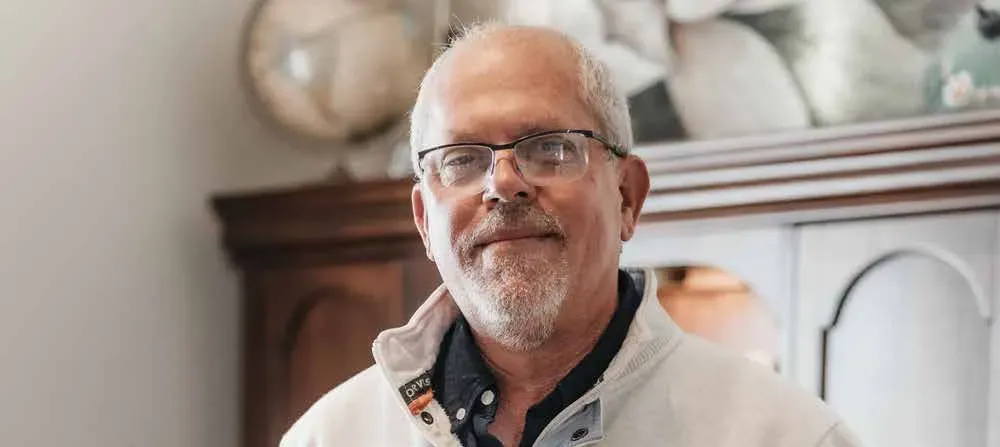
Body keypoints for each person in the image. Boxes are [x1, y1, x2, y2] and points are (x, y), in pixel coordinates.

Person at [280, 23, 861, 447]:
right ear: (425, 222)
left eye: (549, 149)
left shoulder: (786, 436)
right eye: (461, 159)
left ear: (627, 196)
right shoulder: (331, 437)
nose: (503, 184)